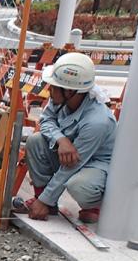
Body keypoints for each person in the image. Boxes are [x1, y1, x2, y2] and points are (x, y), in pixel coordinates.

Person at [12, 52, 116, 224]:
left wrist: (44, 201)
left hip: (93, 165)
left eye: (53, 86)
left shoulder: (97, 121)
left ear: (69, 90)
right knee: (36, 141)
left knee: (79, 185)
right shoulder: (61, 99)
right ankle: (47, 201)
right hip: (69, 156)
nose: (49, 89)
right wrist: (61, 139)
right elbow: (46, 120)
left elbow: (73, 165)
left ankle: (93, 205)